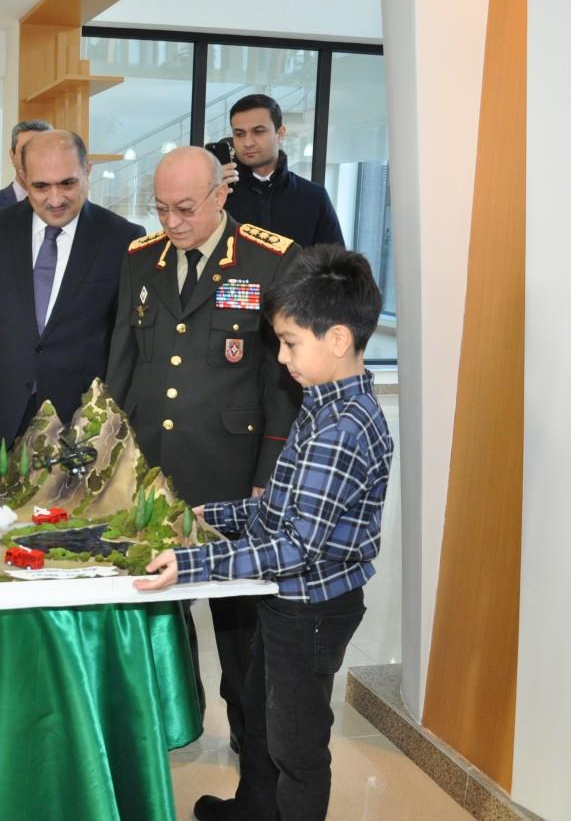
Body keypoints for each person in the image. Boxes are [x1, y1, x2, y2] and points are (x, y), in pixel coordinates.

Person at [135, 244, 392, 821]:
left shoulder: (342, 429)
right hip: (289, 602)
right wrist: (208, 516)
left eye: (290, 342)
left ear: (339, 339)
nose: (280, 358)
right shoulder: (323, 406)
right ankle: (253, 809)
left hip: (312, 609)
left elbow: (296, 547)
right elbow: (281, 509)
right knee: (259, 712)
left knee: (296, 742)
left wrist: (192, 563)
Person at [107, 145, 303, 755]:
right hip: (152, 468)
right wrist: (111, 452)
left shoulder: (271, 261)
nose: (172, 223)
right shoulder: (142, 258)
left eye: (185, 208)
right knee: (155, 609)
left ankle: (252, 745)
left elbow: (282, 380)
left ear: (222, 194)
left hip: (231, 471)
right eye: (161, 209)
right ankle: (164, 727)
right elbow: (124, 357)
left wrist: (267, 472)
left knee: (238, 626)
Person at [0, 129, 145, 455]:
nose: (55, 198)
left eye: (67, 183)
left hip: (79, 423)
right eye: (40, 186)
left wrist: (109, 419)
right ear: (22, 178)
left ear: (87, 171)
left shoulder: (122, 238)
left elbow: (124, 343)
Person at [223, 94, 344, 247]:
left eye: (258, 131)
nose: (247, 142)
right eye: (239, 134)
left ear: (280, 134)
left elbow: (337, 264)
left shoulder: (313, 197)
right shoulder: (220, 194)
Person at [0, 119, 52, 225]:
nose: (32, 158)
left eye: (41, 151)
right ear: (12, 156)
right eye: (25, 151)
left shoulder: (69, 207)